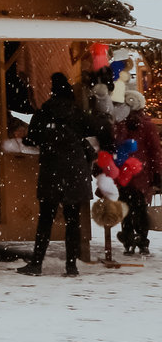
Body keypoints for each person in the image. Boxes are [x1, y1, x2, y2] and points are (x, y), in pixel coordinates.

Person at [19, 73, 98, 277]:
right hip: (75, 170)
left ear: (53, 90)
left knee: (46, 218)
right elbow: (93, 130)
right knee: (72, 220)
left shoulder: (44, 112)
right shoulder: (78, 112)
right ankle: (71, 266)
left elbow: (32, 137)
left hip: (52, 169)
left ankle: (36, 264)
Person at [117, 91, 161, 255]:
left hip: (123, 173)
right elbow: (155, 151)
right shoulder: (147, 125)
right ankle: (142, 240)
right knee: (141, 208)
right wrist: (157, 173)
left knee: (126, 207)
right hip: (142, 174)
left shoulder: (120, 124)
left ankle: (128, 240)